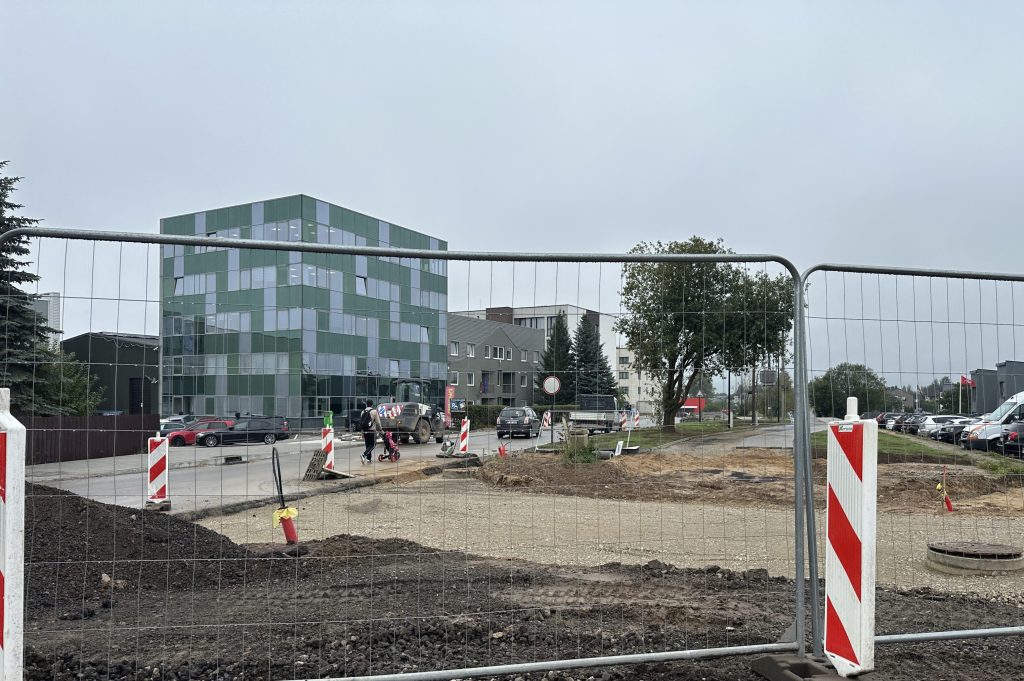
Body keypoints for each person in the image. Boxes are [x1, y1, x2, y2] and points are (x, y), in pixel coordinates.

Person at [360, 400, 383, 464]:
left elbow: (361, 423)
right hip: (372, 431)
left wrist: (362, 432)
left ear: (366, 404)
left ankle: (368, 459)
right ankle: (364, 455)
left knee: (368, 445)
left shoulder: (362, 412)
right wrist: (380, 430)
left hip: (365, 431)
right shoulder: (374, 411)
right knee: (373, 444)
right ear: (372, 404)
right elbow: (378, 423)